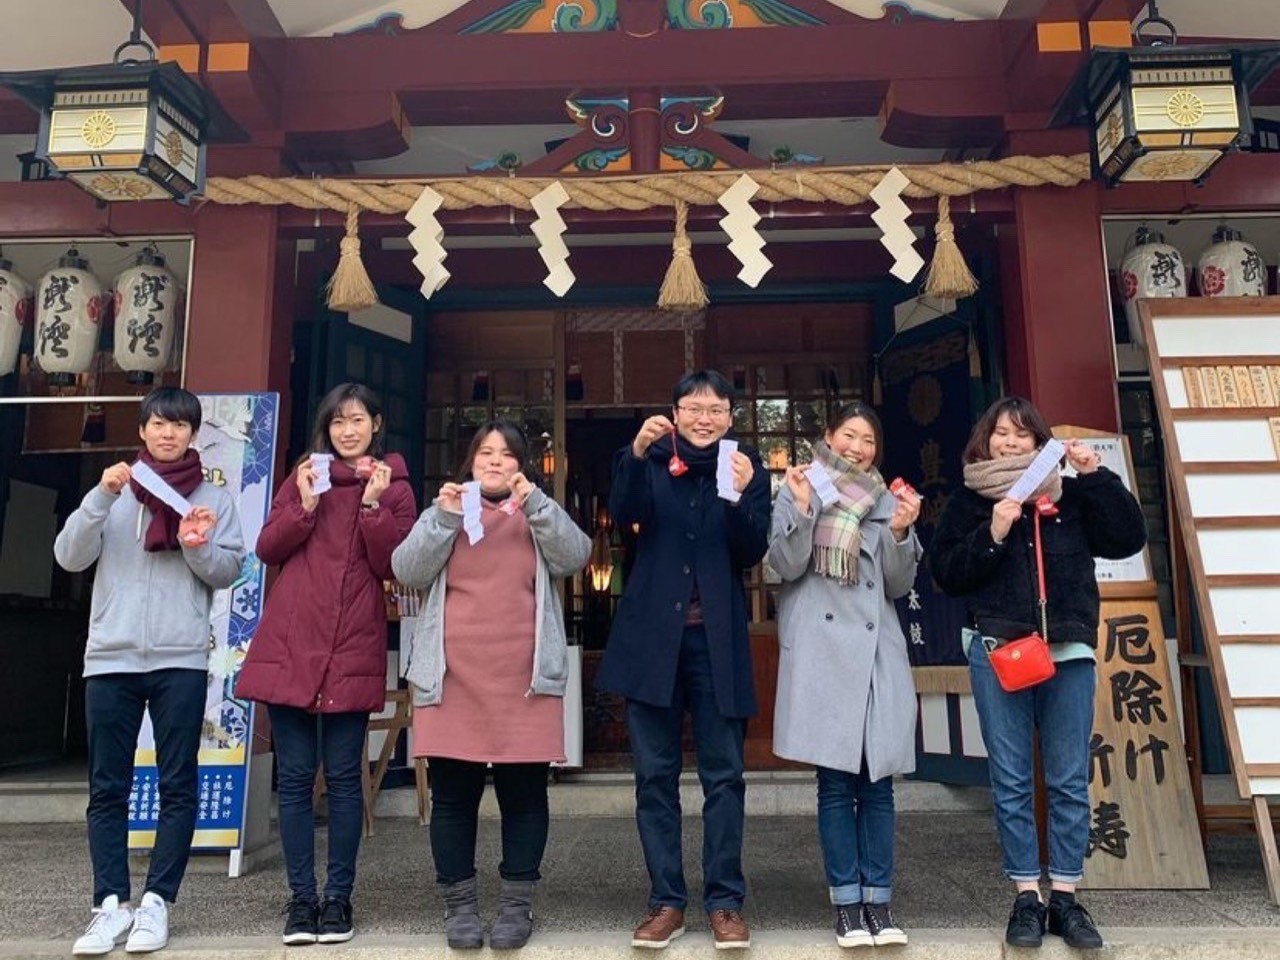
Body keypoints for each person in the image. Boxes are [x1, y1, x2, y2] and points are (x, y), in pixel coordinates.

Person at [929, 396, 1146, 951]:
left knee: (1070, 776)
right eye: (1000, 433)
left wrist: (1096, 478)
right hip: (999, 648)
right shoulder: (971, 501)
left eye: (1022, 435)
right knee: (1012, 779)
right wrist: (994, 533)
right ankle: (1027, 895)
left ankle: (1067, 897)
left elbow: (1127, 538)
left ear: (1039, 443)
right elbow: (947, 575)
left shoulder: (1069, 496)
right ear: (984, 440)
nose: (1009, 442)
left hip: (1066, 648)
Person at [54, 387, 245, 956]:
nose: (168, 434)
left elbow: (227, 569)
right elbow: (69, 556)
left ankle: (158, 900)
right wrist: (98, 497)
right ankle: (108, 904)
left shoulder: (212, 495)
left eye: (180, 426)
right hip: (110, 656)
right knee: (106, 787)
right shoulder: (116, 489)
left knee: (177, 784)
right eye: (159, 424)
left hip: (179, 656)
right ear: (142, 430)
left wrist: (195, 545)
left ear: (194, 434)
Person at [391, 421, 589, 951]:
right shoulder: (448, 511)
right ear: (470, 462)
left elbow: (576, 557)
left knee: (522, 798)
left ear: (521, 464)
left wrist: (538, 504)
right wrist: (442, 518)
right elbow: (405, 569)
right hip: (453, 676)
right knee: (454, 799)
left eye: (506, 454)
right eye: (485, 453)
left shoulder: (535, 513)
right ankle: (459, 907)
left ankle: (515, 907)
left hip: (523, 680)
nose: (495, 462)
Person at [236, 383, 416, 946]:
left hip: (352, 642)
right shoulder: (303, 477)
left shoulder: (395, 487)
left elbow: (396, 564)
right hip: (291, 643)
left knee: (342, 780)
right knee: (292, 781)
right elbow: (267, 548)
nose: (347, 430)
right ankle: (300, 901)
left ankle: (338, 899)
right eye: (337, 421)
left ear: (377, 424)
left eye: (357, 420)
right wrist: (306, 505)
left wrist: (370, 507)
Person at [597, 370, 770, 951]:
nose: (704, 417)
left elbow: (751, 551)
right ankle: (666, 901)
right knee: (654, 778)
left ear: (729, 416)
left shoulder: (743, 467)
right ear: (674, 411)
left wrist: (746, 494)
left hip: (716, 643)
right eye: (693, 407)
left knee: (725, 778)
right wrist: (635, 451)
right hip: (653, 641)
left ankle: (725, 902)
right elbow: (625, 516)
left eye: (716, 408)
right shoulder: (649, 459)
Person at [766, 402, 921, 948]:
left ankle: (879, 901)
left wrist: (902, 534)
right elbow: (781, 566)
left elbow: (899, 586)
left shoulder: (888, 500)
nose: (858, 447)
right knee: (834, 783)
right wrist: (804, 511)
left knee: (878, 784)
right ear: (829, 436)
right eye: (849, 435)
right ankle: (846, 905)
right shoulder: (799, 485)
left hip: (876, 653)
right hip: (823, 649)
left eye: (868, 440)